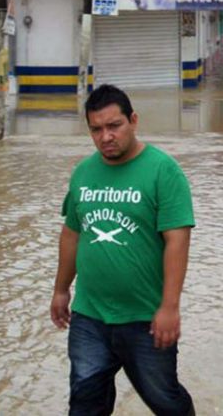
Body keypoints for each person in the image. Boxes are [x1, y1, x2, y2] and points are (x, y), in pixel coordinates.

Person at [51, 85, 197, 416]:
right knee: (85, 403)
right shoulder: (83, 173)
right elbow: (72, 234)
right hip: (90, 316)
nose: (106, 137)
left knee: (165, 399)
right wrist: (61, 289)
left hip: (145, 317)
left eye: (114, 126)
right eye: (96, 129)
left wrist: (169, 307)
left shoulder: (163, 171)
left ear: (133, 120)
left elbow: (178, 240)